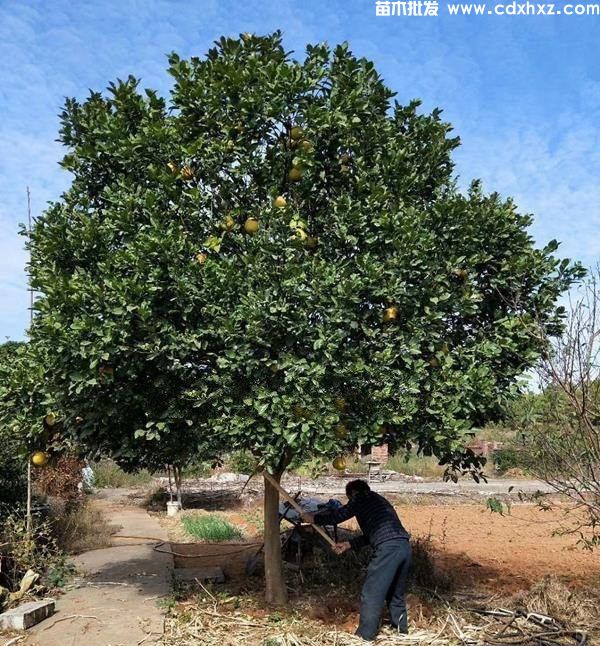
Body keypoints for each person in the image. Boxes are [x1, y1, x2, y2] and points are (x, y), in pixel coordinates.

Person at [301, 479, 411, 641]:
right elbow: (374, 533)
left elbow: (339, 515)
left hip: (388, 549)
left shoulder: (360, 498)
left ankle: (364, 637)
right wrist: (349, 544)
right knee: (396, 594)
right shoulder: (378, 500)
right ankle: (402, 633)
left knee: (372, 593)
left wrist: (314, 519)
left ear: (352, 493)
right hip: (404, 547)